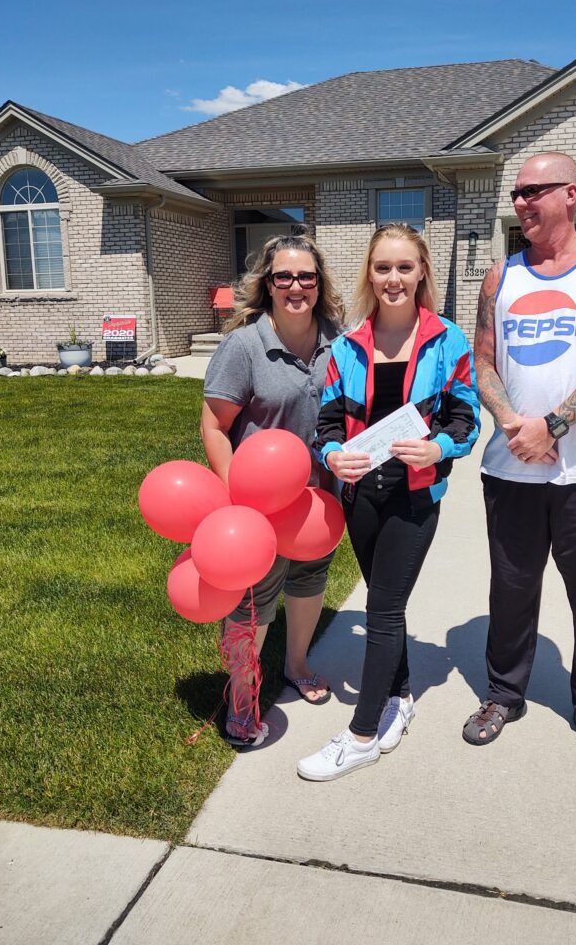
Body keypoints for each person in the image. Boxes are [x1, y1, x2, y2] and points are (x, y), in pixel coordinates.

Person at [464, 151, 576, 766]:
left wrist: (555, 425)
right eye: (516, 192)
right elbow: (482, 359)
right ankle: (503, 693)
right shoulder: (500, 276)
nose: (522, 202)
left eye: (535, 190)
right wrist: (514, 424)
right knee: (511, 589)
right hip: (511, 466)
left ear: (571, 194)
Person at [298, 222, 480, 781]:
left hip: (415, 497)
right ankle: (400, 696)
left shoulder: (448, 340)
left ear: (422, 271)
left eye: (404, 267)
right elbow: (326, 424)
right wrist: (330, 457)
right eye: (383, 268)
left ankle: (362, 733)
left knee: (382, 609)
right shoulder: (347, 347)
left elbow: (467, 418)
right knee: (384, 599)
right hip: (362, 496)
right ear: (369, 275)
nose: (393, 278)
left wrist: (438, 447)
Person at [201, 234, 345, 747]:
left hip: (318, 500)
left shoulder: (340, 340)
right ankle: (241, 698)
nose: (295, 286)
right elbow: (215, 427)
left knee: (309, 580)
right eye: (283, 276)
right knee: (251, 602)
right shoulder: (244, 344)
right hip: (258, 504)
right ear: (267, 283)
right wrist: (237, 493)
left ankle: (297, 664)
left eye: (306, 276)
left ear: (319, 282)